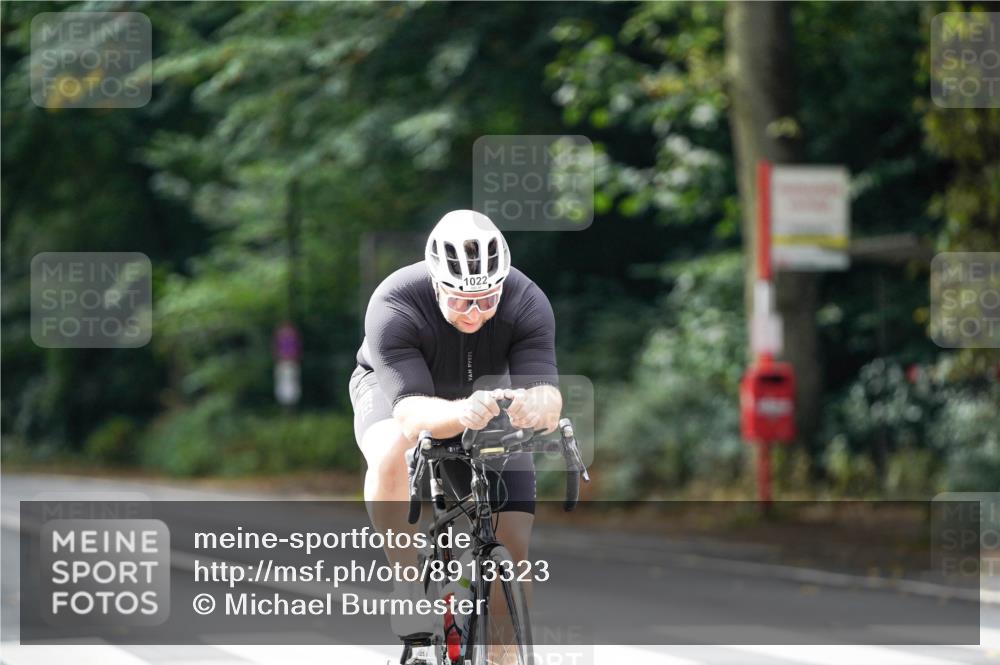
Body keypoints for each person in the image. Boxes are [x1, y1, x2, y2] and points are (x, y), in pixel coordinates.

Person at [349, 209, 562, 661]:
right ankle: (407, 585)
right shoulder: (394, 302)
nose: (475, 312)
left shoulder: (526, 300)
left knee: (513, 544)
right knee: (391, 449)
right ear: (436, 284)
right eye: (461, 301)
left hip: (481, 400)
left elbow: (547, 392)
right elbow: (411, 416)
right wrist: (463, 412)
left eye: (487, 299)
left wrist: (536, 407)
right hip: (398, 394)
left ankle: (502, 653)